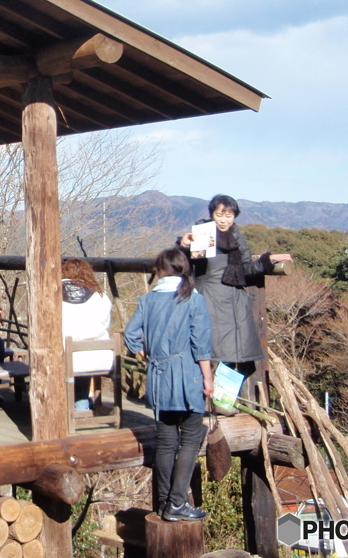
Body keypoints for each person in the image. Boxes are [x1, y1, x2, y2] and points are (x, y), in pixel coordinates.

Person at [124, 247, 214, 522]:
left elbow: (130, 334)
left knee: (165, 443)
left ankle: (165, 503)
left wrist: (145, 353)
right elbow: (201, 344)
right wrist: (208, 379)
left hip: (159, 377)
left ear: (159, 270)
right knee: (190, 440)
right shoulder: (192, 299)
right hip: (187, 375)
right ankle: (177, 502)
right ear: (183, 268)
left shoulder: (147, 300)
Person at [179, 194, 292, 372]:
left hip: (235, 302)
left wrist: (268, 260)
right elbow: (185, 263)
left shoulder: (236, 236)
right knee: (211, 356)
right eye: (219, 215)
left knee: (243, 362)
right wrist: (184, 246)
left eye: (228, 216)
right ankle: (209, 394)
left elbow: (246, 268)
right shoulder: (203, 232)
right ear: (212, 214)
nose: (223, 220)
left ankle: (223, 399)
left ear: (234, 216)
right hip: (209, 299)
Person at [61, 258, 114, 412]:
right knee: (83, 359)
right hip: (101, 357)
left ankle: (72, 406)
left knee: (73, 358)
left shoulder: (55, 293)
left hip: (68, 357)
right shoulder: (100, 295)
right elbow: (106, 324)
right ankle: (81, 405)